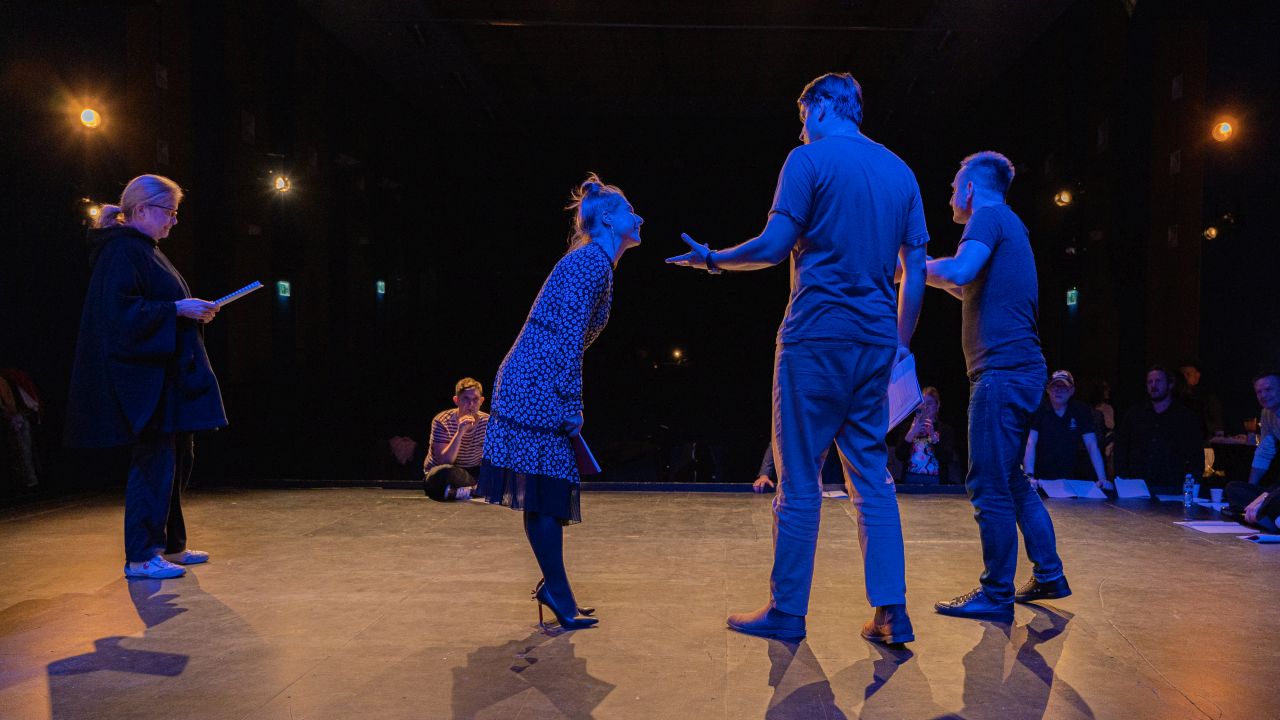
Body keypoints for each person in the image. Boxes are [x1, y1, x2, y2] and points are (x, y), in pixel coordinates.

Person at [668, 72, 928, 645]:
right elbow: (913, 273)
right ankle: (892, 611)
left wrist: (711, 259)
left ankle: (787, 610)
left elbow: (771, 247)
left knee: (800, 479)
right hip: (875, 343)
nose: (801, 129)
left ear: (824, 106)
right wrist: (899, 343)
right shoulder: (900, 171)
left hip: (815, 337)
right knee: (872, 478)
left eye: (803, 116)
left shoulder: (807, 162)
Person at [475, 174, 642, 631]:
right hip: (536, 382)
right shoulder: (591, 263)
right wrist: (572, 401)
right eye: (630, 211)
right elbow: (566, 339)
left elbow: (567, 337)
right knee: (546, 493)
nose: (639, 218)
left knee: (544, 493)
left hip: (534, 378)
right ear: (608, 220)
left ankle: (557, 590)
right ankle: (558, 594)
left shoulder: (595, 264)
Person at [925, 151, 1068, 622]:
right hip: (1020, 370)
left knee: (988, 483)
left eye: (953, 188)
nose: (951, 196)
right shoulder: (1010, 223)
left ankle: (995, 592)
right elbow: (965, 287)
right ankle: (1049, 574)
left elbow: (959, 272)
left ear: (969, 189)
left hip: (1002, 373)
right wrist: (925, 271)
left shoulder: (986, 219)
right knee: (1011, 479)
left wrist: (912, 267)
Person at [65, 174, 225, 580]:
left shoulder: (145, 249)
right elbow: (120, 316)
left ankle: (170, 545)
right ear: (140, 210)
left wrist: (188, 311)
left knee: (178, 459)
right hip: (142, 379)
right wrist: (177, 310)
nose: (174, 220)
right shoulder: (122, 251)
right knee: (153, 463)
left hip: (163, 375)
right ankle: (141, 555)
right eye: (168, 212)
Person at [1112, 366, 1202, 486]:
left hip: (1172, 486)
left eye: (1158, 381)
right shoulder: (1135, 415)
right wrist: (1123, 479)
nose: (1153, 385)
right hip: (1138, 485)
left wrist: (1190, 486)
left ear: (1170, 384)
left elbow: (1195, 455)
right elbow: (1121, 448)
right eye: (1150, 382)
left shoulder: (1185, 417)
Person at [1024, 370, 1109, 488]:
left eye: (1063, 386)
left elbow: (1091, 445)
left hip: (1072, 476)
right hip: (1041, 478)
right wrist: (1029, 476)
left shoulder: (1080, 410)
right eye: (1054, 386)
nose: (1058, 390)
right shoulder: (1039, 409)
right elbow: (1030, 443)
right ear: (1048, 390)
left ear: (1072, 391)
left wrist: (1102, 478)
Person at [1225, 370, 1280, 527]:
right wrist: (1253, 488)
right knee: (1234, 489)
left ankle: (1267, 514)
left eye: (1268, 389)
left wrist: (1268, 496)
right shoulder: (1267, 413)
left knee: (1273, 497)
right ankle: (1264, 514)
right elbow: (1264, 451)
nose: (1263, 395)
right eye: (1259, 392)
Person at [422, 377, 489, 501]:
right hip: (447, 472)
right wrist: (460, 433)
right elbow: (445, 460)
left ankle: (464, 492)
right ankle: (475, 491)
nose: (471, 404)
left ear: (481, 401)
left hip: (472, 472)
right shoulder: (442, 421)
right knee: (440, 474)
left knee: (502, 473)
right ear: (456, 400)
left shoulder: (488, 422)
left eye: (475, 399)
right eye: (465, 399)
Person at [893, 387, 958, 485]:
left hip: (936, 480)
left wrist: (933, 436)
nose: (925, 407)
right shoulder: (907, 427)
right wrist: (911, 433)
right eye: (922, 404)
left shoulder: (945, 430)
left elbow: (946, 458)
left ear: (937, 405)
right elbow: (899, 456)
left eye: (929, 403)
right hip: (910, 478)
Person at [1177, 361, 1224, 443]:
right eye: (1182, 375)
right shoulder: (1177, 397)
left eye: (1188, 374)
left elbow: (1217, 422)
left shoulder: (1207, 397)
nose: (1185, 377)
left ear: (1197, 375)